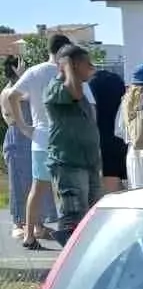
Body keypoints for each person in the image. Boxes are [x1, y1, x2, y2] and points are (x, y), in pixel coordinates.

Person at [3, 31, 72, 250]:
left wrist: (24, 126)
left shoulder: (34, 72)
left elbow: (13, 96)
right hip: (64, 139)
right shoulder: (68, 71)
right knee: (67, 189)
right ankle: (68, 234)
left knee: (37, 188)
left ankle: (30, 234)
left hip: (40, 139)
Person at [45, 43, 103, 237]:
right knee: (73, 218)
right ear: (73, 65)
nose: (91, 68)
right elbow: (74, 93)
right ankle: (67, 265)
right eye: (87, 63)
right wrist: (67, 65)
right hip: (69, 165)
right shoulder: (56, 88)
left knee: (92, 217)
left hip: (88, 164)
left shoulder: (79, 88)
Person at [2, 55, 33, 239]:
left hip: (27, 138)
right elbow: (27, 97)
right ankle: (18, 222)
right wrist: (23, 77)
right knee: (18, 183)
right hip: (16, 138)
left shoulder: (18, 89)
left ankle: (34, 222)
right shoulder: (9, 92)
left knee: (31, 183)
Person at [89, 65, 128, 193]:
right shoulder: (117, 82)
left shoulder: (92, 85)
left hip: (102, 141)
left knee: (111, 192)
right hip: (122, 139)